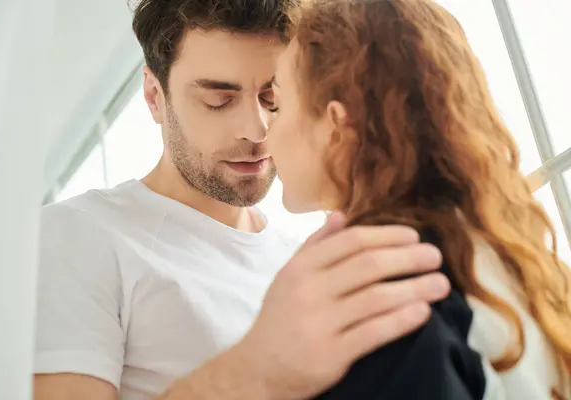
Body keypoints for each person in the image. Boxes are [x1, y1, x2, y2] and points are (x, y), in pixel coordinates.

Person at [32, 0, 451, 399]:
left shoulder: (302, 254)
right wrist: (254, 368)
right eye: (219, 100)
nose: (256, 129)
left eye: (273, 98)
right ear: (155, 97)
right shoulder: (74, 237)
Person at [266, 0, 571, 398]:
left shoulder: (385, 304)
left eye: (277, 105)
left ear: (337, 127)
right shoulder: (501, 256)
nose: (265, 135)